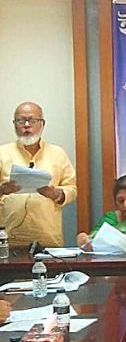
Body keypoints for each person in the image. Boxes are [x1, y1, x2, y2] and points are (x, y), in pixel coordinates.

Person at [0, 102, 77, 248]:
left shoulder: (57, 153)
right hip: (9, 241)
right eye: (21, 121)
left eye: (32, 120)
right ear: (14, 125)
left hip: (48, 240)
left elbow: (72, 189)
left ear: (42, 124)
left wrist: (57, 193)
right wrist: (2, 190)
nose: (27, 125)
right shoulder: (2, 153)